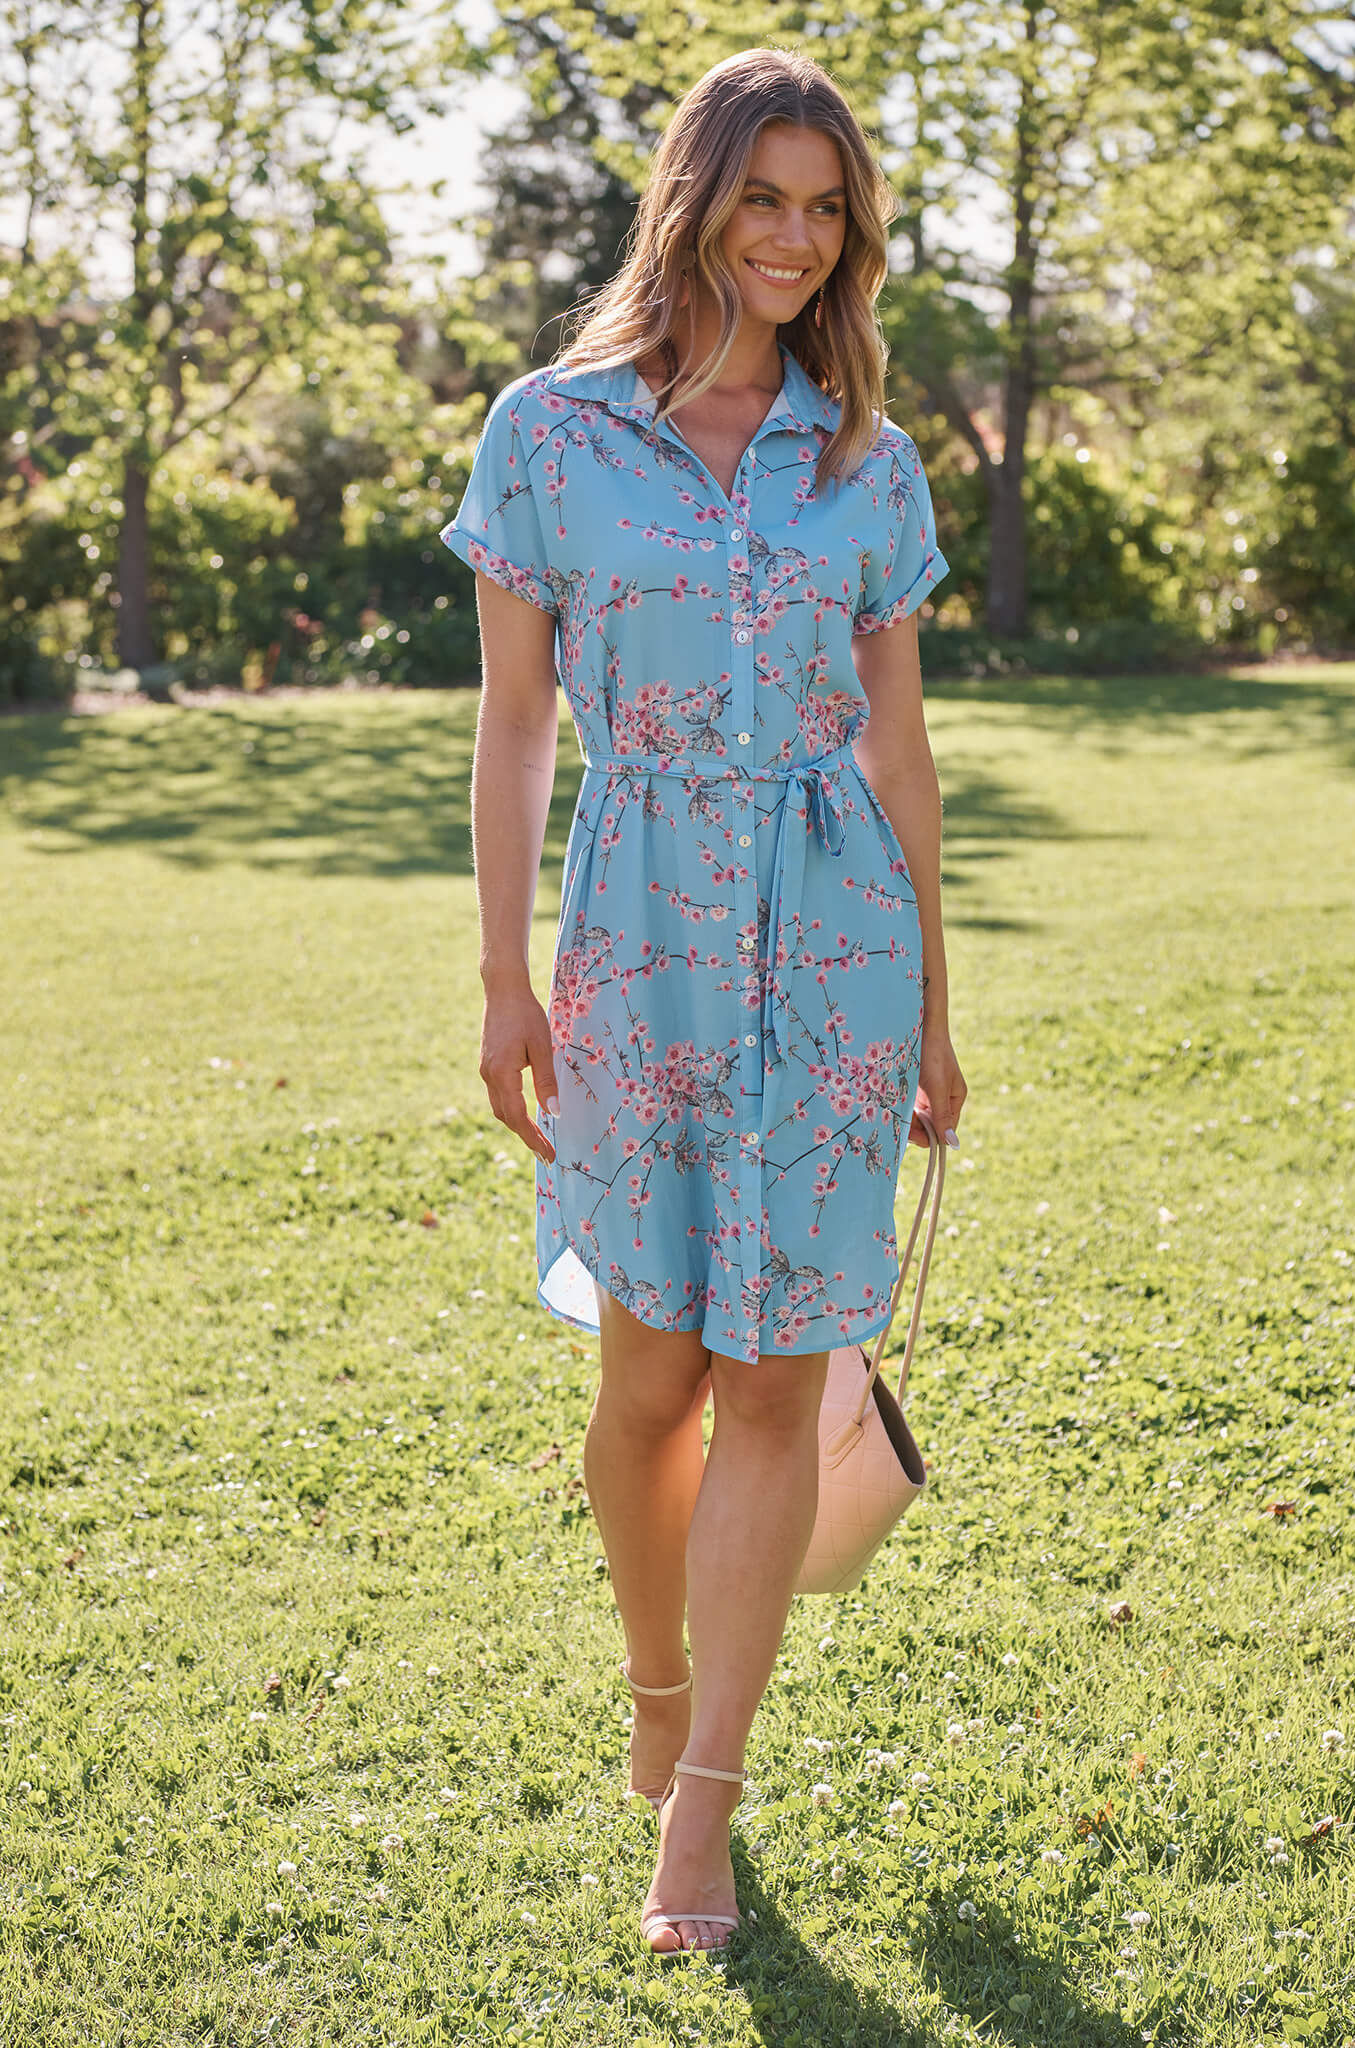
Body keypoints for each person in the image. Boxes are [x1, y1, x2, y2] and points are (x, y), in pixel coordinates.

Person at [440, 44, 969, 1959]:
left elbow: (901, 756)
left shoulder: (867, 459)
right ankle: (654, 1693)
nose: (795, 237)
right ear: (698, 199)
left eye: (827, 210)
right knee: (650, 1370)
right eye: (767, 197)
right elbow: (514, 724)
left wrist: (929, 1010)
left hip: (836, 940)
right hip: (640, 934)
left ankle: (703, 1811)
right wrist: (503, 975)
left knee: (771, 1381)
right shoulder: (553, 437)